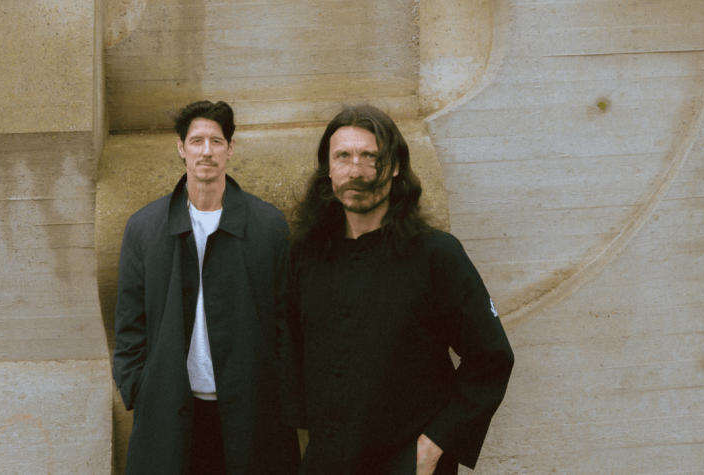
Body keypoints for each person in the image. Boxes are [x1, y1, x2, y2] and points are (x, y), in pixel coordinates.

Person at [279, 105, 514, 475]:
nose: (356, 170)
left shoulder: (437, 254)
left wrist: (433, 446)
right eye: (343, 156)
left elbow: (491, 359)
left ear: (395, 166)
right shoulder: (305, 255)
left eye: (370, 156)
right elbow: (289, 349)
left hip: (409, 465)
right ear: (328, 168)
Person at [112, 100, 300, 475]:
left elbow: (287, 321)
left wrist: (277, 391)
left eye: (216, 141)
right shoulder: (145, 228)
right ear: (181, 148)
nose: (207, 151)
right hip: (170, 412)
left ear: (230, 149)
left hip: (251, 413)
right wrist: (139, 388)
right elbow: (130, 324)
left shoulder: (268, 225)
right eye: (197, 141)